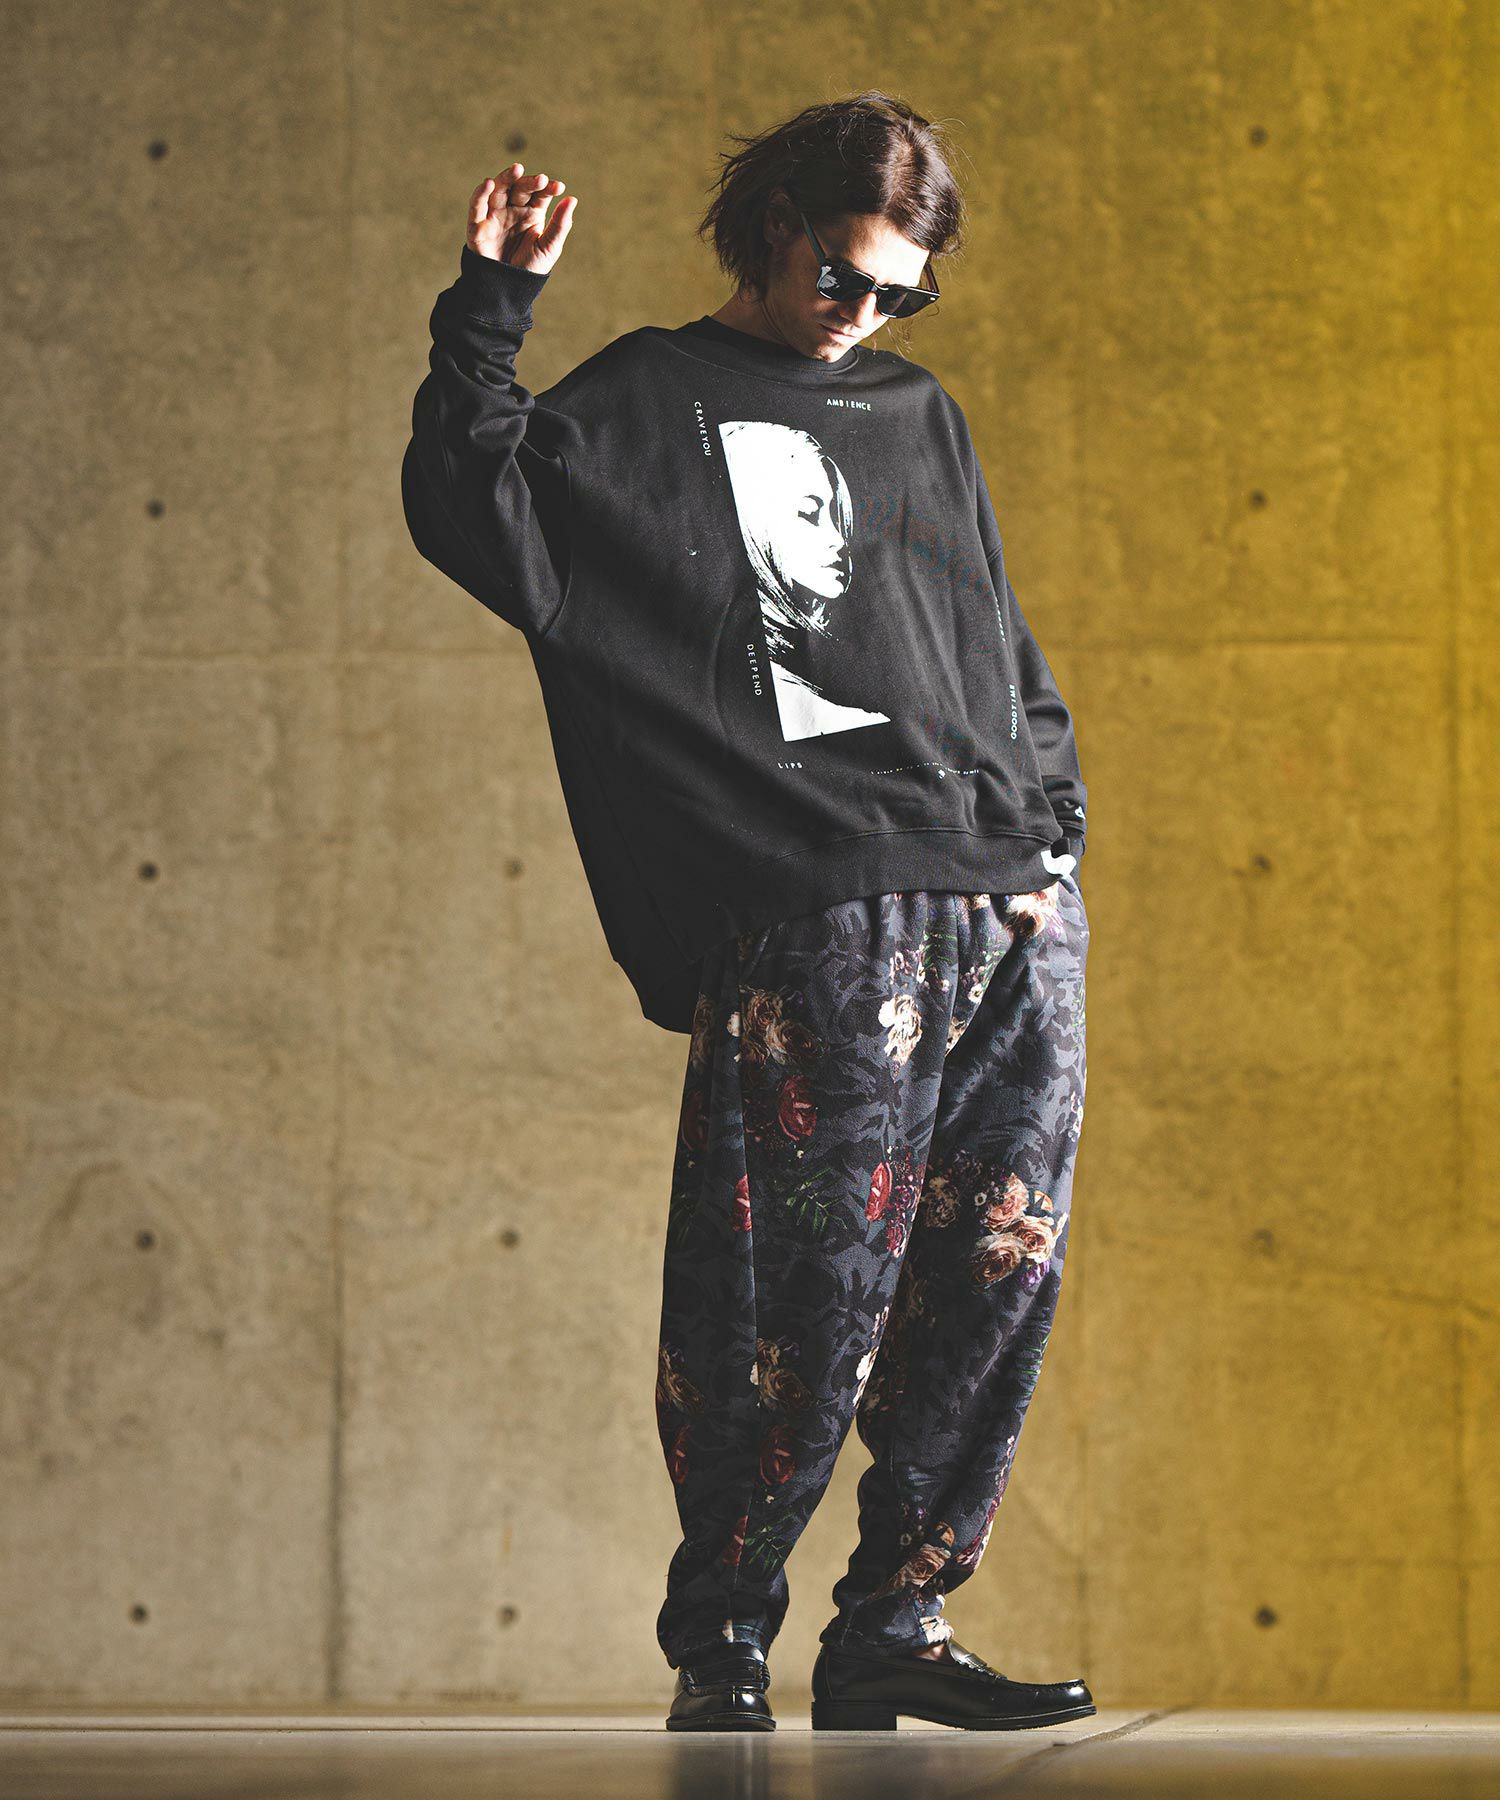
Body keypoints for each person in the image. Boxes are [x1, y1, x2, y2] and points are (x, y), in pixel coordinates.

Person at [402, 90, 1096, 1733]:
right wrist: (491, 302)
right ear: (776, 226)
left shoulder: (917, 411)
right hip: (817, 912)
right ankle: (723, 1636)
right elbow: (471, 501)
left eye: (901, 297)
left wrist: (1055, 837)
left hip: (1007, 908)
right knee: (792, 1289)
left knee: (993, 1277)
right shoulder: (654, 395)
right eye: (845, 277)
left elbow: (995, 640)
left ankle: (895, 1623)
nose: (865, 317)